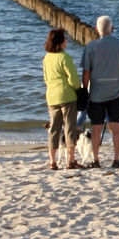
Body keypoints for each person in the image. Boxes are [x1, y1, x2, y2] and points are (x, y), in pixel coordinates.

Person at [81, 15, 119, 169]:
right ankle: (116, 159)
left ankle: (95, 160)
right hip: (115, 92)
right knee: (116, 127)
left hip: (97, 92)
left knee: (96, 127)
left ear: (96, 29)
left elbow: (86, 72)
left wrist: (85, 90)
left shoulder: (91, 46)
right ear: (112, 28)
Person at [42, 28, 81, 171]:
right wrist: (78, 88)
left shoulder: (47, 58)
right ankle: (71, 160)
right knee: (69, 128)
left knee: (54, 129)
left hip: (51, 96)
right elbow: (73, 79)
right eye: (65, 39)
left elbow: (46, 78)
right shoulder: (65, 57)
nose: (67, 41)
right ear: (59, 42)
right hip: (67, 96)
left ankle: (52, 161)